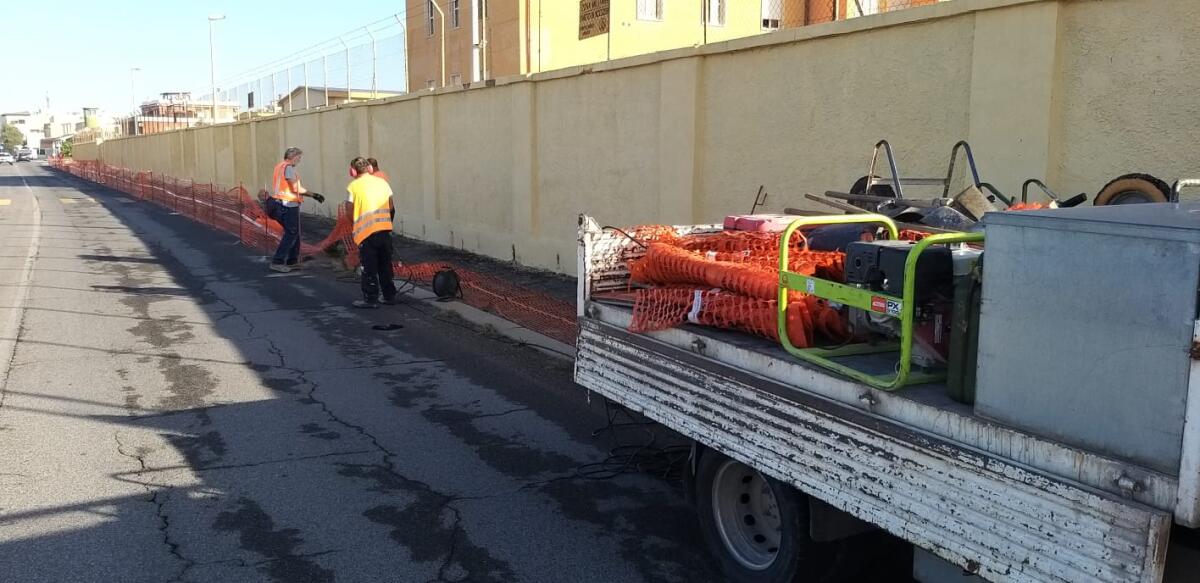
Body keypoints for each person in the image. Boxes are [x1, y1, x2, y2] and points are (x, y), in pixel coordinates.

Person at [346, 156, 397, 308]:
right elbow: (391, 207)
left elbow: (349, 210)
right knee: (385, 265)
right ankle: (389, 296)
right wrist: (387, 225)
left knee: (369, 267)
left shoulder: (353, 186)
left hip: (366, 233)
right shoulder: (383, 183)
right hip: (384, 230)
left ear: (353, 171)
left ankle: (371, 299)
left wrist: (355, 226)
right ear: (370, 169)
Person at [268, 147, 324, 273]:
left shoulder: (280, 166)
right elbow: (295, 188)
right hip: (288, 205)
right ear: (293, 156)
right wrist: (313, 195)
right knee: (291, 233)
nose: (299, 160)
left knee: (295, 232)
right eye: (299, 157)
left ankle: (292, 260)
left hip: (280, 204)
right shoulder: (288, 168)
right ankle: (278, 261)